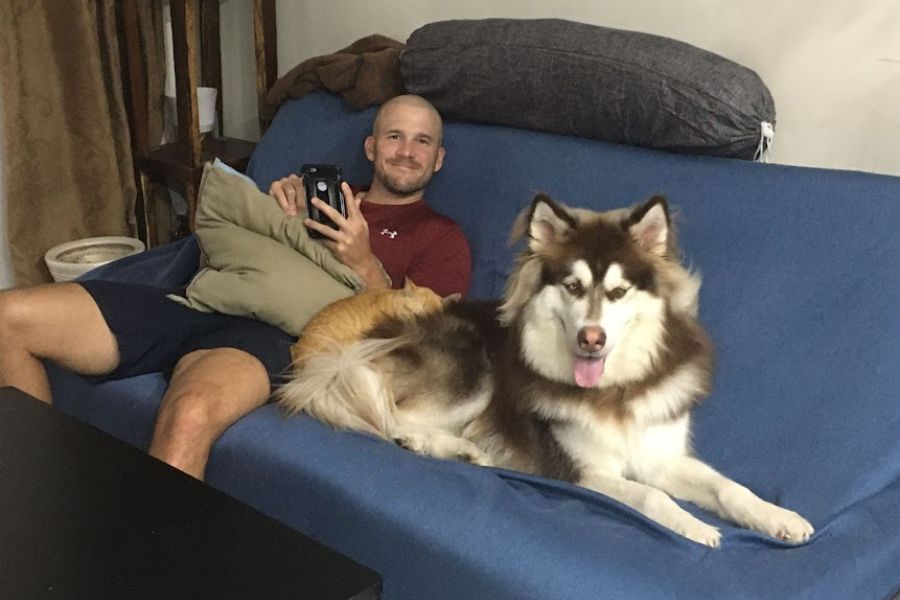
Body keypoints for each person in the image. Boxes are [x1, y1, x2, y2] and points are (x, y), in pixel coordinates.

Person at [0, 94, 471, 480]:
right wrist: (273, 211)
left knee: (189, 414)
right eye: (395, 136)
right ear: (371, 148)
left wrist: (364, 262)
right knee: (8, 318)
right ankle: (40, 510)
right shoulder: (324, 195)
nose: (407, 150)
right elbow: (225, 245)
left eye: (422, 141)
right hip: (198, 300)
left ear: (439, 158)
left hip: (272, 333)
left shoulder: (442, 237)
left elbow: (424, 343)